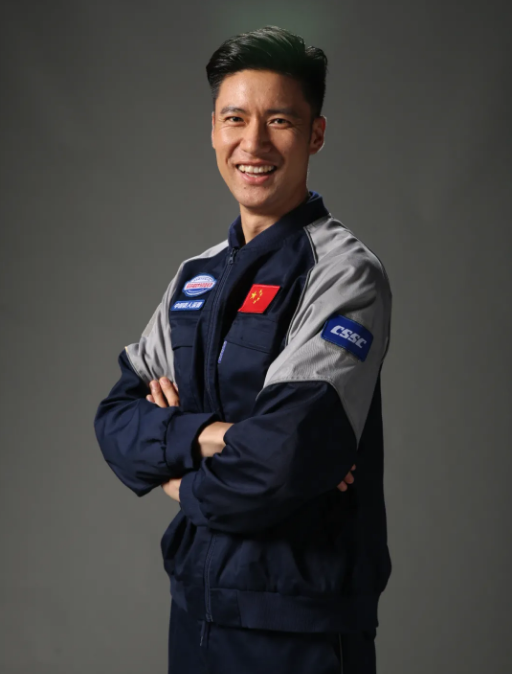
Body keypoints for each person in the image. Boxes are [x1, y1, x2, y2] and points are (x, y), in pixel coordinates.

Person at [94, 25, 392, 674]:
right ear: (213, 130)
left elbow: (284, 457)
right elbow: (115, 421)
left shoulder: (343, 274)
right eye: (234, 118)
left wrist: (174, 473)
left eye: (279, 120)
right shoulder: (193, 278)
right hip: (196, 612)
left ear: (315, 134)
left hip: (301, 628)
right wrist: (219, 436)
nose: (252, 143)